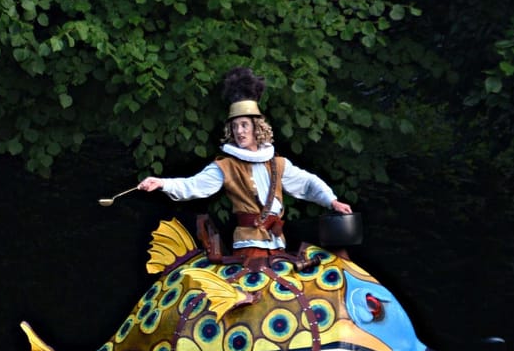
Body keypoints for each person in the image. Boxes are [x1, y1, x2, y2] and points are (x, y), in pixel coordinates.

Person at [136, 67, 352, 253]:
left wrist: (332, 201)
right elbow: (193, 185)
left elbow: (307, 183)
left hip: (278, 243)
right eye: (235, 126)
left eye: (244, 125)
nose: (239, 131)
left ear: (257, 127)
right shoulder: (226, 166)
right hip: (248, 247)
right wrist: (162, 183)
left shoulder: (278, 163)